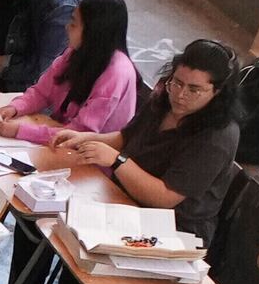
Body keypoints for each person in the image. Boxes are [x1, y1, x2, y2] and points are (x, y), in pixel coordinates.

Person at [42, 36, 246, 237]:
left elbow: (164, 197)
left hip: (172, 229)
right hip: (126, 201)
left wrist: (117, 160)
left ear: (218, 92)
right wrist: (85, 138)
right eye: (177, 82)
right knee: (51, 205)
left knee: (72, 229)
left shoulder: (217, 137)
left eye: (194, 90)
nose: (180, 95)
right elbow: (127, 137)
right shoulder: (165, 98)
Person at [0, 0, 140, 144]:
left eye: (74, 23)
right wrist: (14, 108)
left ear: (94, 33)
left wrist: (21, 131)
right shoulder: (77, 51)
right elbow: (42, 92)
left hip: (88, 157)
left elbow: (79, 133)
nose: (67, 27)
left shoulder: (116, 74)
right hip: (57, 136)